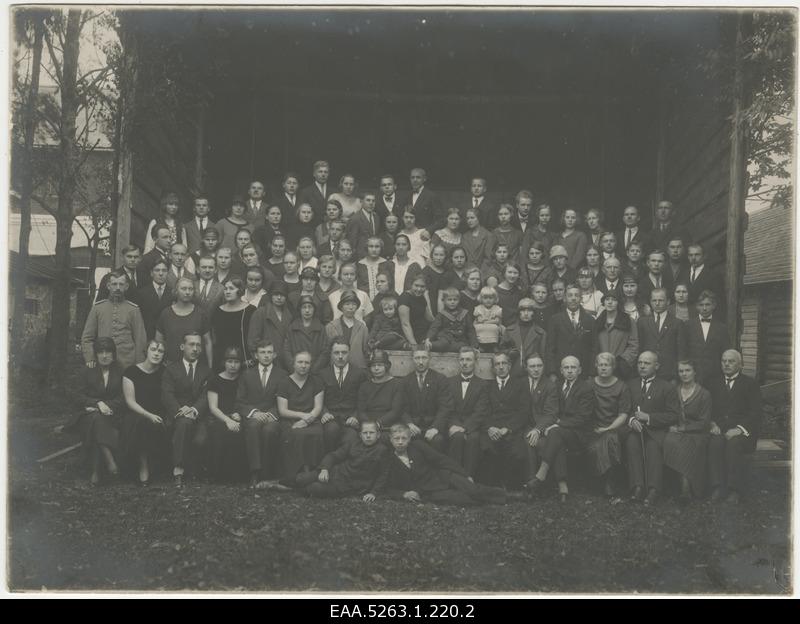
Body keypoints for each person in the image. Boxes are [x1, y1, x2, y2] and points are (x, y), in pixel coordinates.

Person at [525, 355, 594, 502]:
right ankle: (563, 486)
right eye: (566, 368)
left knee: (555, 433)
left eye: (573, 367)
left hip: (578, 433)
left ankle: (541, 475)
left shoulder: (586, 388)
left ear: (580, 370)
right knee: (557, 440)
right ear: (561, 371)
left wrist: (559, 424)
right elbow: (553, 410)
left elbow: (583, 418)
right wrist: (554, 425)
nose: (570, 371)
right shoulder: (557, 386)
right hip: (559, 433)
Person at [385, 424, 506, 506]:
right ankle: (493, 500)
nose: (400, 442)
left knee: (473, 490)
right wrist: (404, 494)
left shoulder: (417, 446)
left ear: (409, 439)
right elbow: (386, 487)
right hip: (429, 492)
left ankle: (508, 496)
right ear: (390, 439)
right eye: (396, 438)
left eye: (404, 438)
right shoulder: (388, 459)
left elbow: (441, 460)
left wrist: (464, 475)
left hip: (444, 476)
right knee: (464, 500)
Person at [67, 338, 125, 486]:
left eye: (108, 352)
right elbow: (76, 396)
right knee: (96, 419)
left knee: (97, 421)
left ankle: (95, 471)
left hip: (112, 414)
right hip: (86, 415)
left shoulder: (120, 371)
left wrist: (107, 406)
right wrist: (97, 403)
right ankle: (109, 460)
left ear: (113, 354)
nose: (104, 356)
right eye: (100, 352)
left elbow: (123, 397)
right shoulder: (87, 371)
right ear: (96, 354)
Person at [625, 351, 681, 506]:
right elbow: (624, 408)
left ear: (656, 366)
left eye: (647, 363)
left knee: (653, 446)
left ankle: (653, 489)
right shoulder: (630, 384)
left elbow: (673, 415)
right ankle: (637, 487)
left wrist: (649, 417)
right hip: (635, 429)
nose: (642, 366)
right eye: (640, 363)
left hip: (657, 430)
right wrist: (631, 420)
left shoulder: (666, 387)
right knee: (631, 443)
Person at [707, 350, 762, 504]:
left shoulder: (750, 384)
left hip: (743, 433)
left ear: (740, 364)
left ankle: (734, 490)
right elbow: (707, 409)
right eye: (724, 361)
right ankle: (717, 486)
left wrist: (738, 429)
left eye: (731, 361)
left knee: (734, 444)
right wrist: (712, 423)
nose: (726, 364)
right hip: (719, 429)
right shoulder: (713, 383)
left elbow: (755, 413)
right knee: (715, 443)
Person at [235, 340, 289, 490]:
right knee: (253, 426)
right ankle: (255, 471)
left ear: (275, 355)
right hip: (254, 416)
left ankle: (267, 473)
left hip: (273, 416)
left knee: (269, 430)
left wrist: (273, 413)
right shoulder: (246, 374)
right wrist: (254, 413)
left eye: (269, 352)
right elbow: (239, 401)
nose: (266, 355)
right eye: (262, 352)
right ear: (256, 355)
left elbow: (286, 399)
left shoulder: (283, 375)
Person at [161, 332, 211, 487]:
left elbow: (206, 395)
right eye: (191, 344)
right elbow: (167, 394)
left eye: (198, 345)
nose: (195, 348)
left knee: (200, 439)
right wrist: (180, 410)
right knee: (184, 424)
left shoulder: (206, 371)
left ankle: (197, 470)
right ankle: (178, 469)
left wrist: (194, 410)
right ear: (182, 346)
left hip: (199, 415)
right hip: (177, 415)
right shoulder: (171, 369)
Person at [295, 421, 389, 501]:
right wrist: (324, 469)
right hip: (336, 473)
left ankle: (302, 490)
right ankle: (294, 484)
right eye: (365, 433)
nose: (368, 436)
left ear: (378, 435)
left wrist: (373, 493)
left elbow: (383, 474)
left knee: (314, 488)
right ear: (360, 435)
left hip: (348, 486)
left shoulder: (382, 450)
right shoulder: (353, 443)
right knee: (302, 479)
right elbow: (334, 456)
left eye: (371, 433)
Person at [479, 352, 531, 491]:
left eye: (504, 363)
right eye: (497, 364)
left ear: (509, 366)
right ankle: (492, 490)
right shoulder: (486, 386)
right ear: (493, 368)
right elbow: (483, 410)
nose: (501, 367)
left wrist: (508, 428)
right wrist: (490, 428)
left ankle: (512, 488)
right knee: (487, 450)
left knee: (518, 453)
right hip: (491, 430)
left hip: (512, 430)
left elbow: (523, 411)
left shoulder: (520, 385)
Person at [663, 359, 711, 502]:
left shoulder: (704, 394)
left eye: (687, 370)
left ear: (694, 372)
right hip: (676, 431)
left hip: (697, 433)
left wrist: (683, 428)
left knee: (686, 445)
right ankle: (682, 485)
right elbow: (669, 412)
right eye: (681, 371)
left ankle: (686, 487)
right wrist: (673, 426)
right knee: (670, 440)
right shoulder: (674, 391)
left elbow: (704, 422)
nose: (684, 374)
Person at [276, 351, 325, 485]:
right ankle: (295, 476)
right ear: (293, 364)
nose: (303, 365)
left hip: (312, 419)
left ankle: (313, 474)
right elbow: (282, 410)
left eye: (307, 363)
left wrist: (307, 420)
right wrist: (302, 416)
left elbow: (318, 407)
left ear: (310, 365)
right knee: (296, 434)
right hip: (290, 419)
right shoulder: (284, 383)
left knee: (317, 434)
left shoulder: (316, 382)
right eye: (300, 362)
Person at [586, 352, 632, 497]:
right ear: (596, 366)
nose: (603, 368)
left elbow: (623, 414)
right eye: (600, 365)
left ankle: (609, 481)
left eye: (607, 365)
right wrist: (594, 427)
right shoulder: (589, 384)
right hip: (594, 426)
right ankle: (604, 480)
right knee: (596, 445)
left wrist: (608, 428)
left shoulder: (622, 386)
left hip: (616, 426)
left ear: (613, 367)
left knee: (611, 438)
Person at [122, 339, 167, 486]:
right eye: (153, 349)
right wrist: (148, 415)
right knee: (141, 423)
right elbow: (130, 402)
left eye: (160, 351)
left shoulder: (165, 372)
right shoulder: (131, 372)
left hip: (159, 413)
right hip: (137, 413)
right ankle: (143, 467)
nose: (156, 353)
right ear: (146, 351)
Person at [81, 270, 147, 370]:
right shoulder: (98, 308)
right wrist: (90, 357)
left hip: (127, 363)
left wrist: (139, 364)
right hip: (103, 361)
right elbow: (87, 337)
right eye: (114, 284)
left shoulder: (133, 310)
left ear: (126, 287)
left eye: (121, 284)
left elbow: (140, 340)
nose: (118, 288)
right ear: (108, 286)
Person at [447, 347, 489, 477]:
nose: (464, 363)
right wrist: (454, 426)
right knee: (457, 437)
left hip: (473, 426)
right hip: (453, 424)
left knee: (473, 439)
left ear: (475, 362)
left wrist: (465, 428)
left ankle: (469, 478)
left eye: (468, 360)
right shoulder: (449, 382)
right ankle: (454, 478)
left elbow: (480, 411)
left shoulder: (482, 384)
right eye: (462, 359)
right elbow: (448, 408)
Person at [401, 348, 453, 453]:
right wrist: (409, 423)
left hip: (433, 425)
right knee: (403, 440)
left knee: (438, 440)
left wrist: (435, 427)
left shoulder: (440, 379)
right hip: (413, 426)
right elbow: (402, 407)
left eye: (424, 358)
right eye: (417, 358)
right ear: (412, 359)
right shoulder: (405, 381)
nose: (420, 362)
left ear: (429, 359)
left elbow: (445, 407)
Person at [319, 339, 367, 451]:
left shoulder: (360, 374)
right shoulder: (322, 374)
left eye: (344, 353)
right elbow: (318, 398)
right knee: (331, 431)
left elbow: (364, 400)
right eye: (336, 353)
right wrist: (324, 413)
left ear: (349, 353)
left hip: (351, 419)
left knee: (351, 438)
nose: (340, 356)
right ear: (331, 354)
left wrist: (355, 416)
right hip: (331, 418)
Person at [207, 346, 246, 482]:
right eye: (230, 361)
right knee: (220, 431)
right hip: (219, 417)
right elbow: (213, 407)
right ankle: (218, 475)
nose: (233, 365)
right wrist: (227, 420)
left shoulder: (243, 379)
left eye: (236, 362)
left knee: (241, 431)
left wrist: (240, 414)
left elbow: (247, 401)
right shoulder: (215, 380)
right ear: (224, 362)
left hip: (238, 416)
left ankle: (237, 476)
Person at [155, 277, 213, 367]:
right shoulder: (166, 313)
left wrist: (210, 367)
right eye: (183, 288)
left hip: (195, 366)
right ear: (176, 291)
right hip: (171, 365)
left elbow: (207, 342)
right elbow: (159, 341)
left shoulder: (200, 314)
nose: (187, 292)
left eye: (190, 289)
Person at [521, 353, 559, 486]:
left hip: (540, 426)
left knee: (536, 442)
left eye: (539, 366)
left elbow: (551, 413)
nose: (536, 369)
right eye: (532, 366)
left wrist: (537, 429)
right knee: (528, 440)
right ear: (526, 367)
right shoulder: (520, 383)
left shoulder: (550, 385)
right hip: (521, 425)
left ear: (543, 367)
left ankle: (533, 482)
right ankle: (532, 482)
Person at [546, 284, 595, 378]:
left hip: (583, 371)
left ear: (581, 299)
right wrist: (552, 372)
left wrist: (591, 373)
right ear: (565, 298)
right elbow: (550, 348)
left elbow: (594, 347)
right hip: (561, 370)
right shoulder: (555, 320)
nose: (573, 298)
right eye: (570, 295)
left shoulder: (590, 320)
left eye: (576, 295)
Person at [638, 287, 687, 381]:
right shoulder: (642, 322)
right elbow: (639, 347)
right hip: (647, 371)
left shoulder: (677, 323)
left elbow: (681, 352)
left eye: (660, 300)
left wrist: (676, 375)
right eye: (654, 300)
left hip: (669, 372)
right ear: (650, 302)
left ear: (668, 302)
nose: (657, 303)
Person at [685, 290, 730, 386]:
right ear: (697, 307)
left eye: (707, 304)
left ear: (714, 306)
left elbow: (725, 352)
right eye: (701, 305)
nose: (704, 308)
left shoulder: (722, 328)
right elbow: (684, 351)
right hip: (693, 376)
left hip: (715, 376)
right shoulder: (688, 326)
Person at [211, 278, 256, 371]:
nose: (227, 292)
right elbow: (215, 338)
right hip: (222, 361)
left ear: (240, 290)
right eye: (225, 289)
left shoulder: (250, 310)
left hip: (244, 360)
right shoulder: (218, 311)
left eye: (231, 289)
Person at [594, 291, 639, 379]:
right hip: (601, 367)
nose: (610, 302)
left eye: (614, 300)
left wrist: (621, 362)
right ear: (603, 302)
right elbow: (594, 346)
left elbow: (634, 345)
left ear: (618, 303)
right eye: (607, 299)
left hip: (620, 369)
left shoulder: (628, 321)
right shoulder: (598, 322)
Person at [357, 350, 405, 431]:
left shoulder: (397, 384)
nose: (376, 368)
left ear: (386, 366)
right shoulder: (364, 386)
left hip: (388, 425)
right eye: (373, 365)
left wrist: (379, 423)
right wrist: (369, 424)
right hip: (368, 426)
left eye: (380, 365)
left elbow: (396, 411)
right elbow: (361, 411)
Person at [283, 296, 330, 372]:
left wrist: (314, 369)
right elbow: (286, 350)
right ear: (300, 309)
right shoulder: (292, 327)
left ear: (314, 309)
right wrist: (294, 368)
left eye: (310, 307)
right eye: (304, 307)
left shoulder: (320, 328)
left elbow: (325, 351)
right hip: (295, 371)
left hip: (314, 371)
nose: (307, 310)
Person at [424, 287, 477, 353]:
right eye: (449, 300)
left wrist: (474, 345)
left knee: (463, 347)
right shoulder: (442, 314)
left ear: (459, 300)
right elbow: (434, 328)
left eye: (455, 300)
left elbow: (470, 330)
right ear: (444, 301)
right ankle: (432, 346)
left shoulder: (464, 313)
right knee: (442, 344)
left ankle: (449, 348)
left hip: (459, 340)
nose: (452, 302)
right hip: (445, 339)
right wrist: (428, 338)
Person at [325, 291, 370, 369]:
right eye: (347, 304)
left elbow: (366, 352)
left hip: (358, 368)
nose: (351, 307)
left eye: (354, 304)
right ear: (341, 307)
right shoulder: (331, 327)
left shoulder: (363, 328)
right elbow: (327, 351)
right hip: (336, 369)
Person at [503, 297, 547, 373]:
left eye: (529, 310)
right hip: (513, 371)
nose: (526, 314)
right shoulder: (509, 331)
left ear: (533, 312)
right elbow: (501, 351)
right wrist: (509, 352)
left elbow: (543, 356)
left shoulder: (540, 333)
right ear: (519, 312)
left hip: (533, 372)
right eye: (523, 310)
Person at [398, 274, 435, 348]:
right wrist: (414, 345)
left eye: (422, 286)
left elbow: (429, 318)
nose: (419, 289)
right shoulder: (404, 298)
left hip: (423, 332)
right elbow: (405, 324)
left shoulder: (421, 297)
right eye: (416, 285)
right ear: (411, 285)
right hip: (412, 334)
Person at [687, 243, 725, 316]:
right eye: (691, 255)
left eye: (697, 255)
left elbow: (720, 302)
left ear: (704, 256)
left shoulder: (714, 275)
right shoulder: (683, 274)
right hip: (686, 317)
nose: (693, 258)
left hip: (705, 317)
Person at [347, 191, 382, 256]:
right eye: (368, 200)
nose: (371, 203)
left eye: (373, 201)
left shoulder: (376, 217)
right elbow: (352, 241)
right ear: (361, 201)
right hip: (361, 255)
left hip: (375, 254)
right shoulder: (355, 218)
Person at [408, 167, 443, 233]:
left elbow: (441, 220)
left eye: (418, 177)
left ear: (424, 179)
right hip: (409, 234)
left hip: (424, 235)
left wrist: (429, 231)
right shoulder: (407, 196)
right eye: (412, 177)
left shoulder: (432, 196)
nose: (415, 180)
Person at [298, 160, 333, 225]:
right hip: (312, 227)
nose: (323, 174)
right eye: (320, 172)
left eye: (325, 172)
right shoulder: (306, 192)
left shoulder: (334, 191)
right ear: (314, 174)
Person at [473, 286, 504, 353]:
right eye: (485, 298)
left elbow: (497, 321)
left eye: (490, 298)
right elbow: (479, 320)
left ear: (495, 299)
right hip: (481, 325)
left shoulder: (497, 308)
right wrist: (487, 321)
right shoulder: (479, 308)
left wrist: (486, 321)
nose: (488, 300)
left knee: (494, 328)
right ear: (481, 299)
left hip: (492, 325)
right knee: (478, 328)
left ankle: (494, 345)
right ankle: (481, 345)